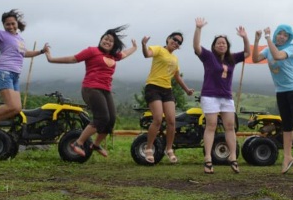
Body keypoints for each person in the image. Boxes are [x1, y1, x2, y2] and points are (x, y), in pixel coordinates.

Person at [45, 26, 137, 158]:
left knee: (111, 120)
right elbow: (72, 59)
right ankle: (78, 143)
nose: (107, 42)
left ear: (113, 45)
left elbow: (126, 53)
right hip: (91, 88)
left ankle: (96, 144)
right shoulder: (92, 51)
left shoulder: (113, 56)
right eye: (106, 39)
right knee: (102, 118)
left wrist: (135, 47)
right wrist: (51, 58)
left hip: (105, 90)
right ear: (101, 39)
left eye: (111, 41)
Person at [0, 0, 48, 135]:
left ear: (17, 24)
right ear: (4, 25)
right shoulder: (1, 35)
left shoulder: (20, 39)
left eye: (13, 23)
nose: (11, 26)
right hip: (3, 72)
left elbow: (24, 53)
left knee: (16, 108)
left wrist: (41, 52)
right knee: (11, 105)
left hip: (14, 76)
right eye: (7, 24)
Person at [193, 18, 250, 174]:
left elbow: (247, 52)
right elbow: (196, 47)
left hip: (226, 97)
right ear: (214, 46)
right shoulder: (208, 56)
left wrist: (244, 37)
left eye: (224, 43)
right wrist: (198, 29)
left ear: (227, 46)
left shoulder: (232, 59)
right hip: (210, 96)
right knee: (211, 125)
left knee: (230, 126)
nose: (221, 44)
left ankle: (233, 157)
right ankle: (208, 159)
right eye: (218, 42)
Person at [252, 24, 293, 174]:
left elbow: (278, 56)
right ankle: (287, 156)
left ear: (288, 38)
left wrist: (267, 37)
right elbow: (255, 59)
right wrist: (257, 40)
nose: (282, 37)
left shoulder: (291, 48)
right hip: (281, 91)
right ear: (276, 34)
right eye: (280, 34)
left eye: (285, 35)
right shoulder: (268, 49)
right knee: (287, 125)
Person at [141, 31, 195, 164]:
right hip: (153, 87)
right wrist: (143, 44)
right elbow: (147, 54)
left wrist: (187, 90)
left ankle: (169, 149)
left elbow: (177, 76)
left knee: (172, 121)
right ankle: (148, 148)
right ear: (168, 39)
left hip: (167, 89)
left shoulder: (175, 59)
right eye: (175, 39)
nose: (176, 42)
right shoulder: (159, 49)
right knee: (158, 119)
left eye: (179, 42)